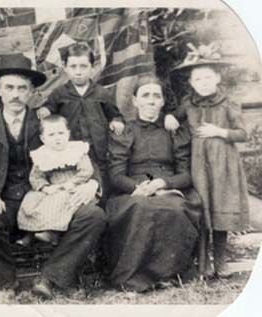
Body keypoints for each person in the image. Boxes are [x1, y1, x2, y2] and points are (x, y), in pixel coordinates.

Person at [0, 54, 106, 299]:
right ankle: (5, 284)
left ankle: (51, 278)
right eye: (9, 88)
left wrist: (93, 183)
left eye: (22, 88)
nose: (16, 94)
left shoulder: (45, 123)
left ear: (31, 92)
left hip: (48, 198)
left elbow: (78, 153)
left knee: (94, 215)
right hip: (4, 199)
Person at [105, 75, 202, 292]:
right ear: (135, 100)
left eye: (156, 96)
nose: (151, 101)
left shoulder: (174, 131)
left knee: (176, 209)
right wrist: (137, 188)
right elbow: (116, 174)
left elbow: (186, 174)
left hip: (166, 187)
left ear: (162, 102)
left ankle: (167, 275)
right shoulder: (126, 130)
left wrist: (162, 183)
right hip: (131, 190)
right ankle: (132, 277)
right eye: (145, 95)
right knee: (140, 206)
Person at [170, 44, 249, 277]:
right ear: (192, 83)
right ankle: (203, 265)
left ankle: (221, 262)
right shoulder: (188, 103)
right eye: (198, 79)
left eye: (207, 77)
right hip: (198, 164)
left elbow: (242, 133)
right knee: (202, 208)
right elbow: (175, 116)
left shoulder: (227, 103)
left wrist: (219, 131)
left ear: (217, 77)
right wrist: (170, 118)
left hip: (224, 164)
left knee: (220, 210)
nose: (203, 82)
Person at [36, 42, 125, 201]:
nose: (78, 72)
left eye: (83, 66)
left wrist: (116, 121)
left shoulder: (101, 93)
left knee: (101, 183)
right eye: (73, 66)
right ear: (65, 66)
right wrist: (46, 110)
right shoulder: (60, 93)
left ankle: (103, 212)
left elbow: (115, 114)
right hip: (70, 151)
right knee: (75, 186)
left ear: (92, 67)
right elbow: (49, 109)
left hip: (97, 150)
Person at [16, 115, 96, 247]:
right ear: (43, 138)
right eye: (51, 135)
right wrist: (45, 187)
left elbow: (86, 171)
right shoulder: (42, 154)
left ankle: (52, 232)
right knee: (32, 198)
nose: (57, 138)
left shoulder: (76, 150)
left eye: (61, 133)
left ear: (68, 134)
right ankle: (30, 233)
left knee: (61, 199)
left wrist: (72, 183)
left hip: (74, 186)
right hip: (52, 186)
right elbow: (36, 176)